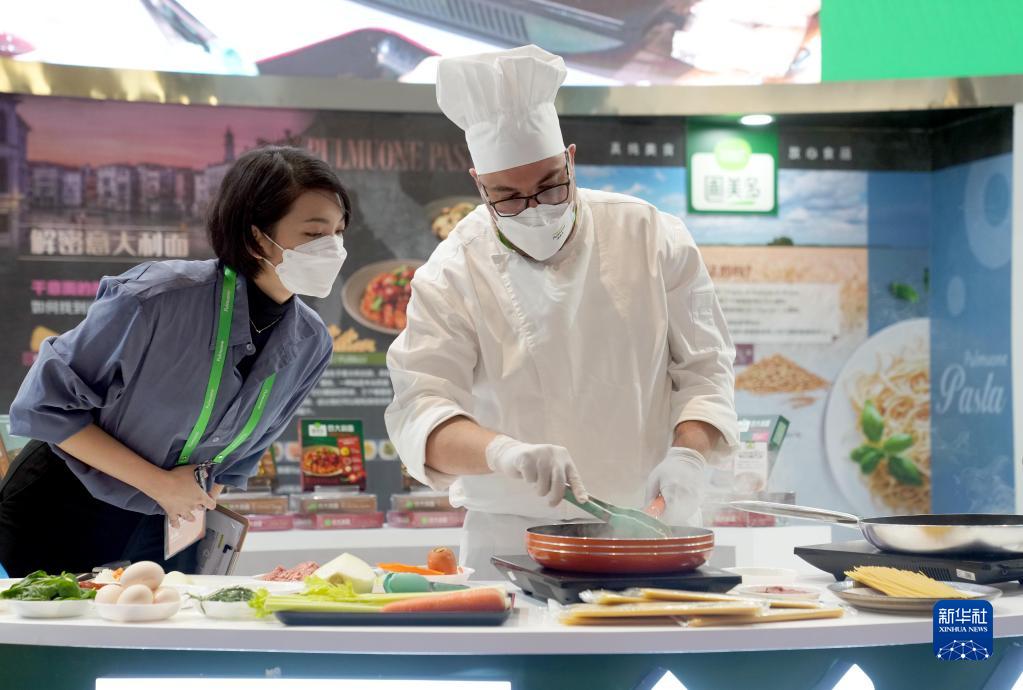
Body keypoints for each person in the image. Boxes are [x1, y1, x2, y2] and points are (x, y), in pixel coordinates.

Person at [385, 46, 739, 578]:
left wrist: (688, 456)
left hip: (648, 525)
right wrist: (503, 453)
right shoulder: (453, 270)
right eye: (508, 197)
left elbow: (705, 371)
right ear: (478, 183)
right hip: (511, 541)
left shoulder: (649, 234)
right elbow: (421, 410)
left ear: (571, 159)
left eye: (551, 186)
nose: (534, 210)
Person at [0, 146, 348, 576]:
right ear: (257, 236)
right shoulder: (155, 298)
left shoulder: (311, 341)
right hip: (63, 504)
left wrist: (198, 499)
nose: (333, 249)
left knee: (165, 618)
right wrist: (161, 485)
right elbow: (44, 407)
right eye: (315, 234)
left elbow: (244, 453)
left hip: (171, 521)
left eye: (339, 233)